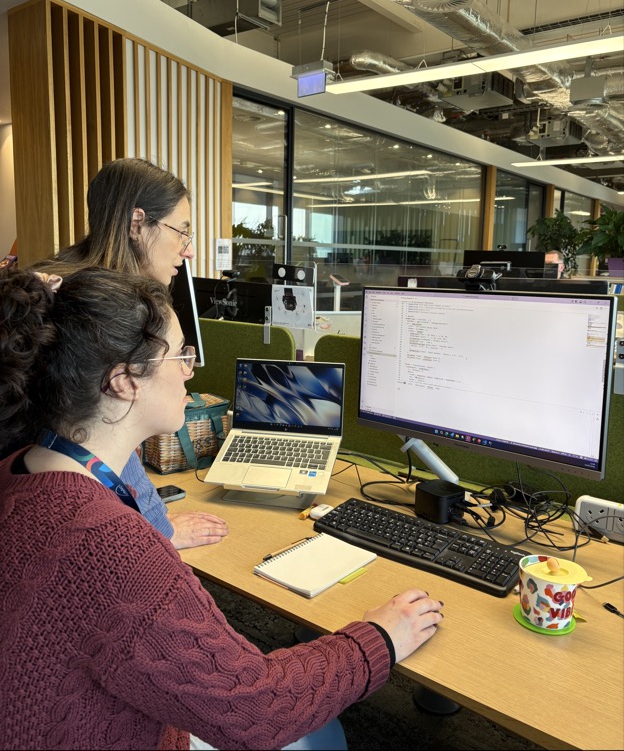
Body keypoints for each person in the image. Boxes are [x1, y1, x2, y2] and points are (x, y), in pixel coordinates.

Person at [0, 267, 445, 751]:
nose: (190, 369)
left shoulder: (18, 469)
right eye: (180, 354)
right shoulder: (108, 545)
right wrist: (380, 636)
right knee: (322, 735)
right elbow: (259, 711)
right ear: (125, 381)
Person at [31, 157, 227, 550]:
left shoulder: (63, 280)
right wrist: (161, 530)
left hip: (33, 497)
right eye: (181, 232)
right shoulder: (92, 309)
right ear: (138, 223)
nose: (187, 252)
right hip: (61, 517)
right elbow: (98, 438)